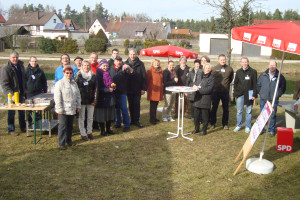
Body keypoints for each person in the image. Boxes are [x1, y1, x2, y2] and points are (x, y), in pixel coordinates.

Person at [54, 65, 81, 150]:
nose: (69, 75)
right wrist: (59, 109)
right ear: (63, 73)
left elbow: (78, 96)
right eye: (67, 73)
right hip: (63, 109)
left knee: (70, 126)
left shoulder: (74, 83)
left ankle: (68, 140)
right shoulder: (59, 84)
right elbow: (57, 97)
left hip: (72, 108)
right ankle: (61, 143)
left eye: (70, 73)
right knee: (62, 126)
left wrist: (78, 106)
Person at [257, 60, 286, 137]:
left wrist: (277, 95)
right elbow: (258, 85)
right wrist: (261, 93)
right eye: (271, 65)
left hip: (273, 100)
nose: (272, 66)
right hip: (264, 99)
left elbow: (282, 88)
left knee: (272, 115)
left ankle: (271, 130)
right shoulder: (263, 75)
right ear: (268, 65)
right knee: (263, 115)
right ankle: (261, 129)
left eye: (273, 65)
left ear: (276, 66)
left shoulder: (280, 76)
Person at [0, 51, 26, 136]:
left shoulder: (21, 66)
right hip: (11, 95)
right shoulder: (5, 68)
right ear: (9, 58)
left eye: (16, 57)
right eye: (13, 57)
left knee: (22, 111)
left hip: (20, 93)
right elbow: (4, 84)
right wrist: (10, 95)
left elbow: (23, 79)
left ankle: (23, 127)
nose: (15, 59)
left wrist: (24, 89)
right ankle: (11, 129)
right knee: (11, 112)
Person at [109, 56, 134, 132]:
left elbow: (132, 73)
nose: (118, 62)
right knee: (116, 109)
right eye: (117, 61)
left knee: (124, 108)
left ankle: (127, 124)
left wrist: (129, 67)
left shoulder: (124, 69)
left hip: (122, 92)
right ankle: (118, 122)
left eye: (120, 61)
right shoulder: (110, 69)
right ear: (114, 62)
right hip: (113, 92)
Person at [233, 57, 257, 133]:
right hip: (240, 94)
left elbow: (255, 84)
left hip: (249, 94)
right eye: (243, 62)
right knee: (239, 111)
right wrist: (236, 93)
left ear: (248, 62)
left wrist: (254, 94)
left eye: (245, 62)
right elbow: (235, 83)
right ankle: (239, 125)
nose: (244, 63)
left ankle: (247, 126)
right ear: (240, 63)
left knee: (248, 111)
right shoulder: (238, 71)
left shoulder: (253, 72)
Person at [210, 54, 234, 130]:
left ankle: (225, 124)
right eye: (221, 60)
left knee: (226, 109)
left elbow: (230, 79)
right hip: (215, 92)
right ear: (218, 60)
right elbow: (211, 79)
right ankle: (212, 123)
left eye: (224, 59)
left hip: (225, 92)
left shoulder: (229, 69)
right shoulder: (214, 69)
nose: (223, 61)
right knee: (214, 108)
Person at [75, 60, 97, 141]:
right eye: (84, 65)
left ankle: (89, 132)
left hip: (91, 100)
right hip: (81, 100)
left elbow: (96, 88)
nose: (86, 67)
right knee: (81, 118)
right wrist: (77, 101)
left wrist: (95, 99)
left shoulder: (93, 76)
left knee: (90, 117)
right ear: (82, 66)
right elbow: (75, 88)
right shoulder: (78, 75)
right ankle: (83, 133)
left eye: (88, 65)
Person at [125, 49, 147, 128]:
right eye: (131, 54)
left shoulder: (140, 64)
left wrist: (143, 88)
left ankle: (137, 120)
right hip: (129, 88)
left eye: (134, 54)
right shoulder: (125, 63)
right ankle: (132, 120)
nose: (132, 56)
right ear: (128, 55)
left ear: (136, 54)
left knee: (137, 104)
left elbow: (144, 76)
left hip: (138, 88)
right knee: (131, 105)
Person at [94, 59, 116, 136]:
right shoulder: (98, 75)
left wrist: (113, 86)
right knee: (102, 115)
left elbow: (111, 82)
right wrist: (107, 90)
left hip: (109, 97)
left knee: (109, 114)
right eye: (104, 66)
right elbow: (98, 88)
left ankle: (108, 129)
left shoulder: (108, 74)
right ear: (100, 66)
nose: (106, 67)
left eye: (107, 66)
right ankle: (103, 131)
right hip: (102, 98)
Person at [192, 63, 215, 136]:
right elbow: (195, 83)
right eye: (206, 68)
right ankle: (196, 128)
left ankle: (204, 130)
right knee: (196, 116)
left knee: (205, 117)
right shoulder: (200, 76)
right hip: (198, 99)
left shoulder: (211, 78)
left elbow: (209, 89)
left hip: (205, 99)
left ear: (210, 69)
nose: (207, 69)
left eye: (209, 68)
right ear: (203, 68)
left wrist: (199, 89)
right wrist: (194, 86)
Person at [147, 59, 164, 125]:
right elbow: (147, 81)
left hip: (159, 90)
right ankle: (152, 119)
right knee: (153, 106)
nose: (157, 64)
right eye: (155, 63)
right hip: (153, 91)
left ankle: (154, 117)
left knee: (156, 105)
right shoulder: (150, 71)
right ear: (152, 64)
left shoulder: (160, 71)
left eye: (158, 63)